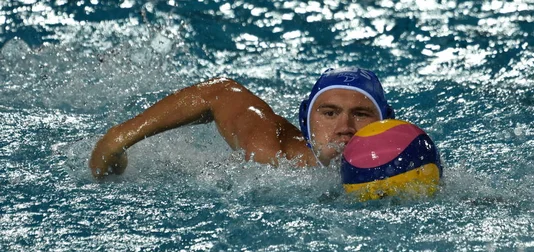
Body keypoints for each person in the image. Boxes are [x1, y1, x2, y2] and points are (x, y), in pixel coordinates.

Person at [89, 67, 395, 178]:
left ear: (385, 123)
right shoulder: (273, 156)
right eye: (329, 113)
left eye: (361, 114)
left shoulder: (409, 165)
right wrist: (119, 137)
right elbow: (220, 91)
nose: (344, 126)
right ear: (306, 123)